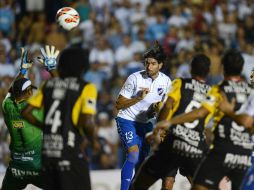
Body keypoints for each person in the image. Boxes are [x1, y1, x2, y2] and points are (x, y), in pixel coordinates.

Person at [152, 49, 253, 190]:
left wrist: (167, 123)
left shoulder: (215, 90)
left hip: (194, 143)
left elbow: (197, 112)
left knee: (182, 183)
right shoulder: (248, 92)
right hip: (241, 152)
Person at [131, 54, 212, 190]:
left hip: (174, 141)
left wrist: (158, 130)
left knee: (142, 185)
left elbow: (167, 106)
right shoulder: (212, 93)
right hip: (196, 145)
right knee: (191, 183)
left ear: (191, 69)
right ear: (208, 72)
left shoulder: (180, 83)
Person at [22, 47, 98, 190]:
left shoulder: (48, 85)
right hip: (71, 153)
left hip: (48, 156)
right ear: (83, 67)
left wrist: (45, 127)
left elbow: (26, 112)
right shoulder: (86, 87)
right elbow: (87, 123)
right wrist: (94, 141)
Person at [1, 45, 59, 190]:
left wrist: (23, 71)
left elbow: (10, 91)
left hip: (16, 168)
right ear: (27, 93)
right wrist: (51, 68)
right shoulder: (35, 107)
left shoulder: (7, 106)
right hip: (37, 166)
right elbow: (61, 89)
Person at [115, 42, 172, 190]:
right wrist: (138, 98)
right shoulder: (135, 78)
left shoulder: (166, 82)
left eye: (153, 64)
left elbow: (163, 108)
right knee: (133, 155)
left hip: (146, 123)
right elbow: (119, 104)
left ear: (160, 65)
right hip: (127, 119)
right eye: (147, 63)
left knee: (141, 162)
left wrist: (154, 112)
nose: (149, 67)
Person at [219, 70, 254, 190]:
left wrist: (229, 111)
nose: (251, 77)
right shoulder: (249, 97)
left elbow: (246, 123)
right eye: (251, 74)